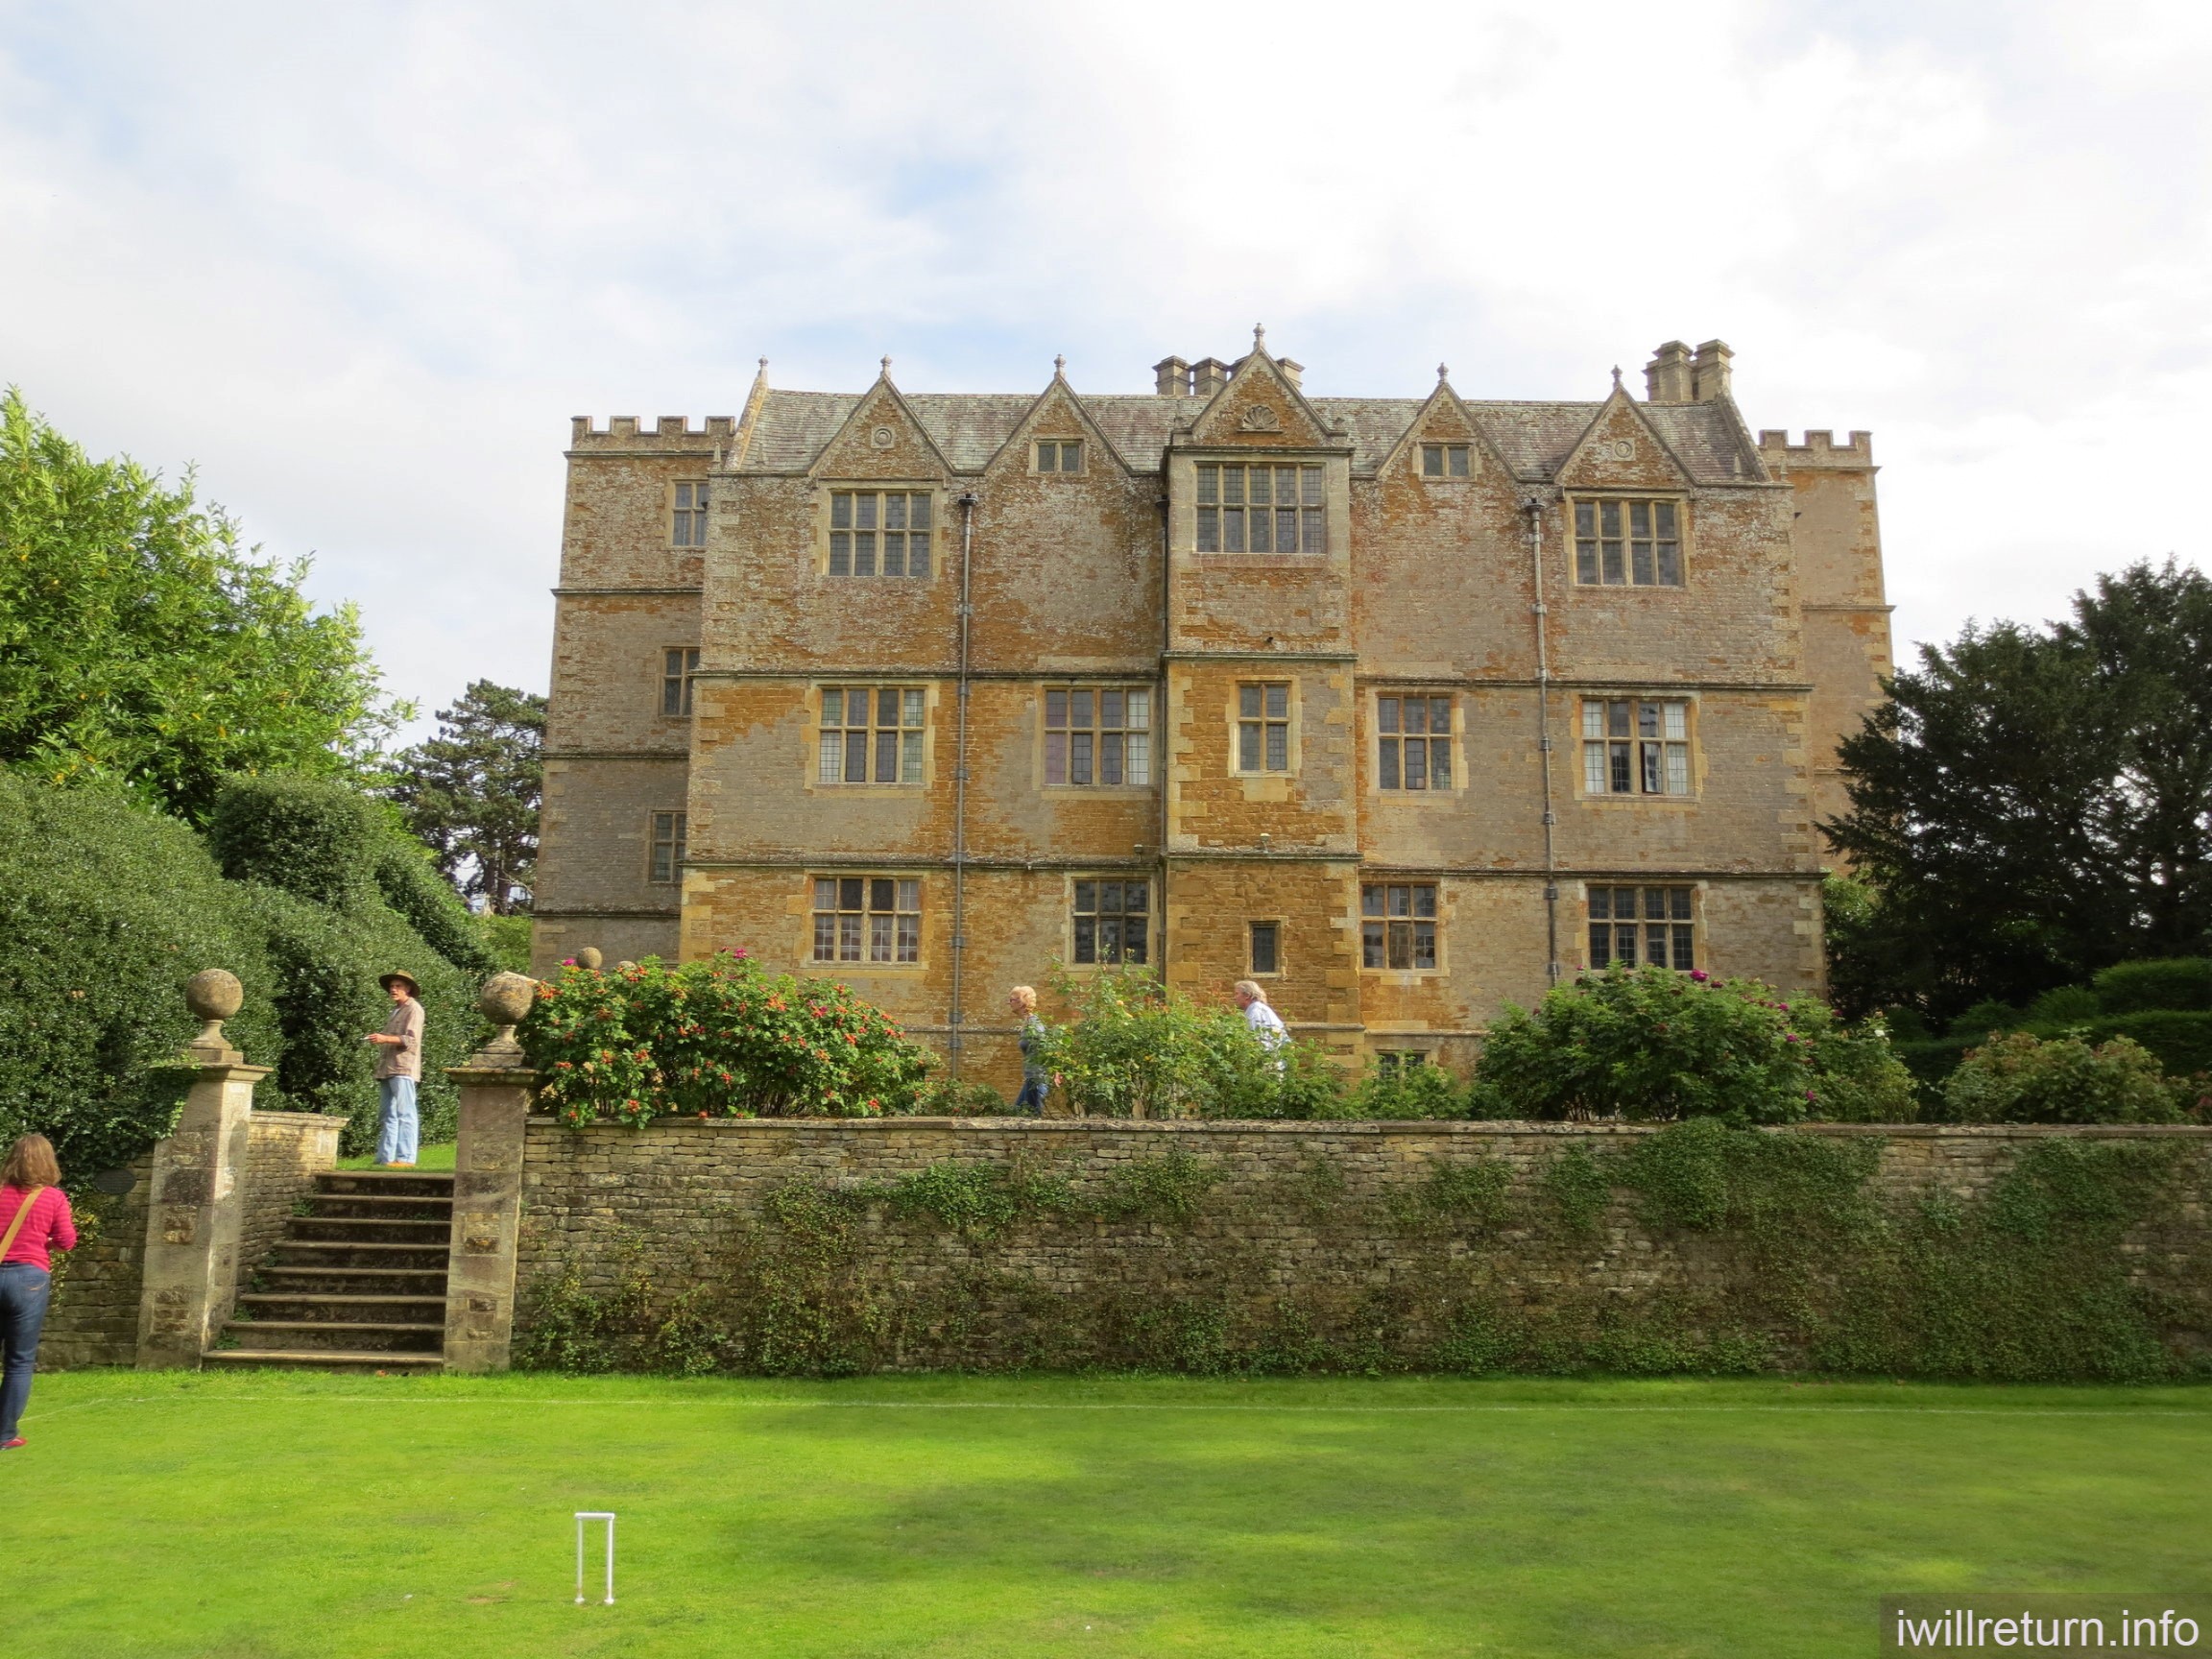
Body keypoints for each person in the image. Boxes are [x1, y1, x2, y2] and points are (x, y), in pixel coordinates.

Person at [1, 1133, 77, 1451]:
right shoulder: (53, 1198)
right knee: (19, 1361)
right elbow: (66, 1241)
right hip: (28, 1279)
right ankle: (4, 1434)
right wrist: (42, 1242)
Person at [366, 970, 426, 1167]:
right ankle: (386, 1158)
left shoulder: (414, 1009)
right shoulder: (396, 1010)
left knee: (405, 1113)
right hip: (387, 1068)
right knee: (387, 1114)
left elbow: (411, 1040)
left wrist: (383, 1038)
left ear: (408, 989)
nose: (393, 989)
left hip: (403, 1068)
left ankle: (406, 1158)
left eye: (398, 986)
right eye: (392, 986)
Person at [1009, 986, 1051, 1116]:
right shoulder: (1027, 1023)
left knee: (1032, 1117)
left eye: (1011, 999)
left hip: (1038, 1079)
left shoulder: (1034, 1025)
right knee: (1018, 1114)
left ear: (1021, 1002)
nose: (1008, 1003)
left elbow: (1047, 1047)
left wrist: (1053, 1071)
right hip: (1031, 1078)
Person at [1233, 980, 1289, 1070]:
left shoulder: (1256, 1013)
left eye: (1237, 994)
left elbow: (1257, 1040)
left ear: (1247, 995)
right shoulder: (1259, 1009)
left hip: (1267, 1065)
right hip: (1274, 1062)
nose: (1234, 997)